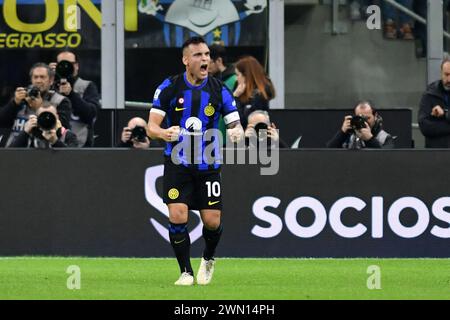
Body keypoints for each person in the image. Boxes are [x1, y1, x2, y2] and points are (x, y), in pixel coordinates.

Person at [147, 36, 244, 286]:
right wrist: (164, 133)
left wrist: (236, 131)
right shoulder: (169, 87)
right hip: (177, 164)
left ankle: (208, 258)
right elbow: (151, 128)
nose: (205, 59)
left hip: (208, 165)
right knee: (178, 215)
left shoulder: (219, 89)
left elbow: (235, 123)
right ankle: (186, 272)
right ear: (186, 60)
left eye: (207, 54)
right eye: (199, 55)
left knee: (212, 221)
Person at [0, 63, 72, 147]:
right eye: (35, 77)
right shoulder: (21, 98)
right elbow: (2, 121)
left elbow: (61, 130)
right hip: (17, 149)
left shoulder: (61, 101)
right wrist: (14, 103)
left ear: (51, 80)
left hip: (47, 151)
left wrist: (39, 109)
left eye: (42, 77)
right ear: (31, 79)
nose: (38, 81)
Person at [50, 50, 101, 147]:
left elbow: (91, 115)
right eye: (61, 64)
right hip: (50, 142)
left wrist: (71, 94)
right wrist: (48, 77)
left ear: (77, 66)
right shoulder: (50, 84)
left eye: (69, 64)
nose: (65, 67)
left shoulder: (86, 86)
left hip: (79, 145)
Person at [326, 101, 395, 149]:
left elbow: (387, 159)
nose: (364, 122)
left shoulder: (385, 138)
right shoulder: (349, 136)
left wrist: (370, 139)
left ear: (375, 116)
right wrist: (342, 133)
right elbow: (328, 153)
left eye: (367, 118)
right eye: (360, 118)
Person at [8, 102, 78, 148]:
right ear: (37, 118)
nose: (47, 119)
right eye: (43, 116)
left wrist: (55, 142)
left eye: (51, 116)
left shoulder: (67, 135)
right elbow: (9, 155)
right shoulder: (32, 135)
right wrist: (25, 132)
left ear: (57, 117)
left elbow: (73, 160)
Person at [233, 56, 275, 128]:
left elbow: (243, 121)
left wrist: (235, 98)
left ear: (247, 75)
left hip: (255, 136)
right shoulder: (240, 90)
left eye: (237, 75)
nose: (236, 79)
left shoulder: (259, 96)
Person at [418, 56, 450, 148]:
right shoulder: (430, 94)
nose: (449, 80)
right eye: (446, 74)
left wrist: (444, 114)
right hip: (435, 153)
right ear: (441, 73)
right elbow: (424, 126)